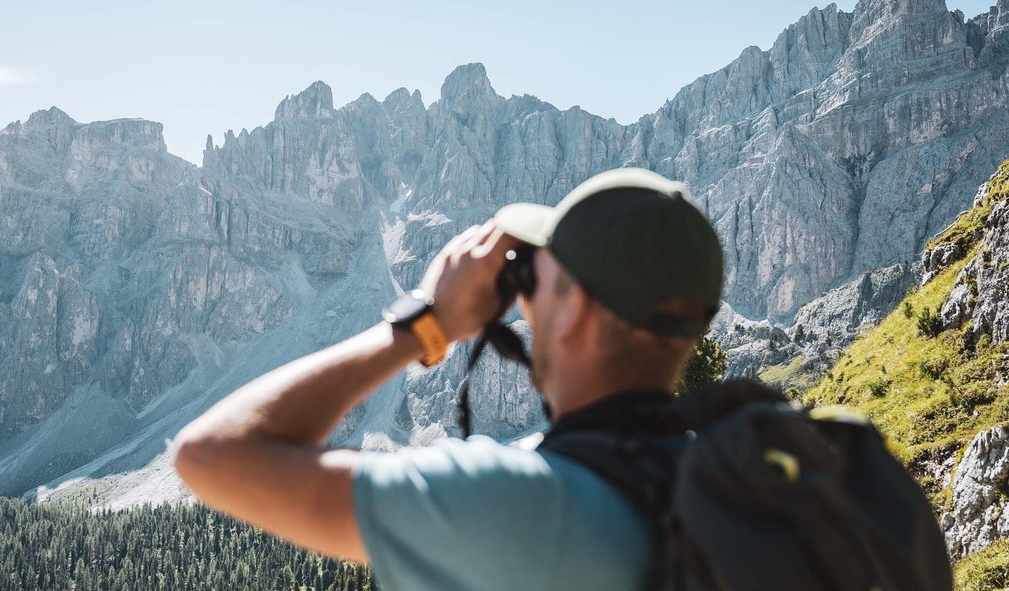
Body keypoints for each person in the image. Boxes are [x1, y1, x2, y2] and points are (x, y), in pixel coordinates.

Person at [172, 168, 723, 590]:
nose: (523, 297)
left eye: (533, 275)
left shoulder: (511, 503)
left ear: (574, 308)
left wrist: (425, 324)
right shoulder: (747, 486)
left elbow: (210, 454)